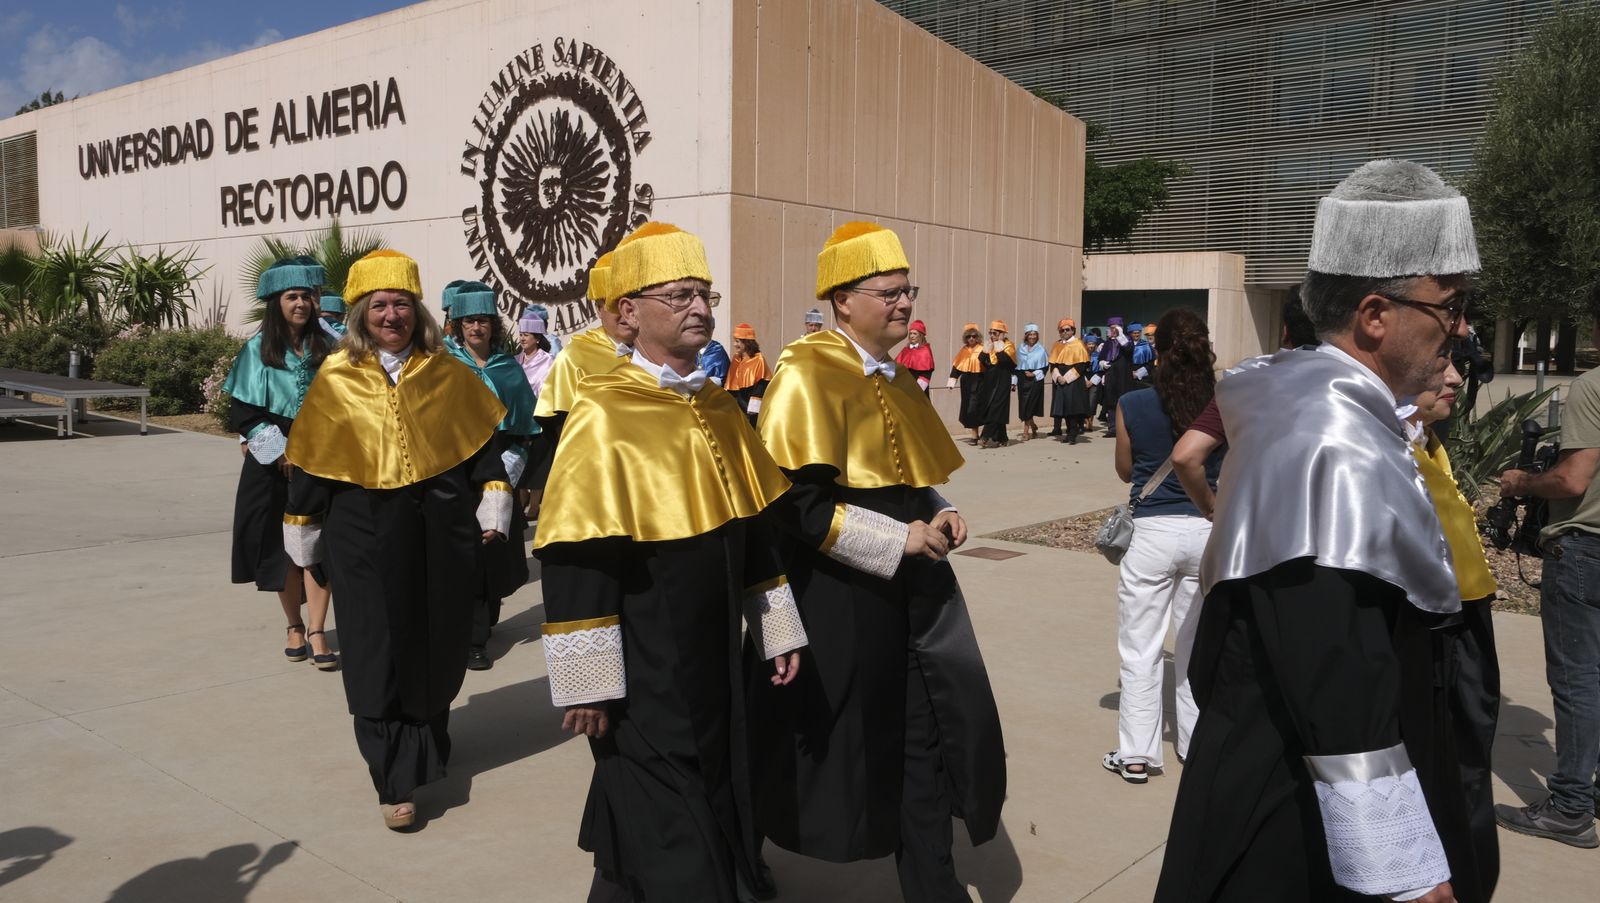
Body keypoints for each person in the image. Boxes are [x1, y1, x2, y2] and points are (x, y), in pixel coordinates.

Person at [1156, 159, 1484, 902]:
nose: (1461, 329)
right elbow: (1336, 665)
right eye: (1451, 306)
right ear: (1375, 314)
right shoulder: (1327, 439)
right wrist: (1401, 865)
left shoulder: (1310, 400)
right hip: (1292, 814)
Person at [534, 222, 807, 902]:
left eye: (704, 294)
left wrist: (775, 628)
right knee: (666, 799)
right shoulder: (601, 410)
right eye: (680, 295)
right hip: (645, 650)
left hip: (716, 647)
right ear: (628, 311)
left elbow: (755, 530)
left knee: (701, 783)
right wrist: (587, 681)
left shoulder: (717, 404)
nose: (700, 308)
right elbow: (579, 555)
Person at [752, 221, 1006, 903]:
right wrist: (898, 540)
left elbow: (905, 478)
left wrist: (941, 507)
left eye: (907, 290)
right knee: (806, 741)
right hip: (836, 600)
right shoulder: (805, 372)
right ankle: (742, 852)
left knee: (922, 738)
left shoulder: (895, 377)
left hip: (911, 601)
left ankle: (933, 886)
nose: (904, 303)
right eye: (888, 292)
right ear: (842, 299)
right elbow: (797, 506)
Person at [280, 249, 512, 831]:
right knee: (374, 646)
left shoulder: (448, 372)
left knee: (436, 637)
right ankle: (393, 778)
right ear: (360, 313)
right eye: (380, 305)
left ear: (419, 311)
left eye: (402, 304)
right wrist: (303, 526)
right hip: (362, 531)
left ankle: (428, 740)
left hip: (440, 529)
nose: (392, 315)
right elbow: (312, 463)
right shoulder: (337, 377)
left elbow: (483, 450)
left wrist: (493, 501)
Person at [1495, 285, 1600, 850]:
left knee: (1578, 680)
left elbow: (1572, 479)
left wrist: (1521, 481)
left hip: (1585, 549)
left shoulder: (1593, 386)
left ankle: (1570, 807)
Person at [1103, 309, 1222, 785]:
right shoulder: (1224, 402)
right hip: (1206, 528)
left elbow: (1125, 471)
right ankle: (1194, 745)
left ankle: (1137, 754)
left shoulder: (1132, 402)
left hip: (1151, 532)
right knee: (1196, 648)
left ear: (1158, 349)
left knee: (1140, 648)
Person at [1407, 362, 1503, 888]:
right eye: (1440, 359)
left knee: (1469, 749)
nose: (1456, 377)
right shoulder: (1386, 444)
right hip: (1436, 619)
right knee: (1449, 759)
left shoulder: (1425, 438)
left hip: (1466, 611)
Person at [223, 256, 338, 671]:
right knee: (281, 548)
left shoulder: (331, 349)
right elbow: (243, 412)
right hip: (271, 462)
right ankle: (294, 625)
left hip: (321, 457)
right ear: (276, 302)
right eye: (292, 296)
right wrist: (280, 451)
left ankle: (318, 629)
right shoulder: (257, 351)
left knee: (318, 544)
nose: (301, 304)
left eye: (307, 295)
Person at [445, 282, 537, 672]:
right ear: (458, 325)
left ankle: (483, 620)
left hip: (499, 470)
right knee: (468, 552)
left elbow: (526, 427)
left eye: (482, 320)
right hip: (456, 471)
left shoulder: (507, 368)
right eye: (468, 321)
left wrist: (512, 465)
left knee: (493, 549)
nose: (476, 327)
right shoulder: (446, 366)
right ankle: (473, 639)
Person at [529, 253, 638, 490]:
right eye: (613, 304)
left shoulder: (657, 351)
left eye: (631, 302)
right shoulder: (575, 357)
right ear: (598, 308)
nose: (625, 312)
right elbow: (561, 430)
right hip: (598, 479)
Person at [515, 308, 557, 522]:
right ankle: (522, 497)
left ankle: (534, 505)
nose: (522, 338)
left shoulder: (549, 361)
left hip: (539, 417)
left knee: (538, 462)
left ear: (537, 338)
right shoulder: (515, 360)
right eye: (521, 334)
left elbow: (549, 390)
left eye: (527, 335)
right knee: (519, 461)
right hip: (518, 418)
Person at [1048, 318, 1093, 443]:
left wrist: (1066, 378)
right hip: (1060, 380)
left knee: (1073, 409)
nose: (1065, 332)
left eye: (1067, 330)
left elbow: (1081, 366)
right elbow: (1053, 364)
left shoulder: (1079, 344)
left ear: (1073, 330)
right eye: (1062, 330)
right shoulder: (1057, 345)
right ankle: (1069, 432)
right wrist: (1058, 377)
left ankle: (1073, 432)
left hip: (1074, 380)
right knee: (1064, 408)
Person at [978, 320, 1016, 448]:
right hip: (990, 381)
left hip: (1002, 380)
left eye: (995, 333)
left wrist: (999, 349)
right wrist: (985, 350)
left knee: (996, 407)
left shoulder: (1008, 345)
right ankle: (1003, 438)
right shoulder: (989, 344)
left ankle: (985, 436)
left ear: (1002, 334)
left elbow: (1009, 363)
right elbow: (982, 360)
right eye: (990, 333)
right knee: (994, 408)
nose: (992, 335)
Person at [725, 322, 772, 425]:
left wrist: (753, 408)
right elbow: (731, 383)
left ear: (746, 343)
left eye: (737, 341)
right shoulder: (736, 358)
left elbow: (762, 383)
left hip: (749, 408)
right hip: (736, 407)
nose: (734, 344)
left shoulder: (758, 359)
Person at [946, 323, 984, 444]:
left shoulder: (982, 349)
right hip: (966, 381)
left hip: (979, 380)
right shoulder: (963, 350)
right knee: (967, 406)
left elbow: (988, 366)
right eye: (968, 336)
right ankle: (975, 434)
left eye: (974, 336)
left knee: (974, 407)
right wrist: (952, 381)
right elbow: (956, 367)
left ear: (977, 337)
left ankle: (975, 435)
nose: (971, 339)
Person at [1098, 317, 1134, 437]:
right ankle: (1112, 428)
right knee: (1111, 401)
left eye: (1115, 328)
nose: (1113, 330)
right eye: (1111, 328)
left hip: (1124, 374)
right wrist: (1102, 363)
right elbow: (1101, 357)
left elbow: (1128, 349)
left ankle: (1125, 428)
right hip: (1111, 375)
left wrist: (1120, 336)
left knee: (1124, 401)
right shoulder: (1107, 343)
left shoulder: (1127, 339)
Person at [1014, 324, 1048, 441]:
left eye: (1034, 334)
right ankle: (1032, 425)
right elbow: (1015, 366)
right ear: (1026, 336)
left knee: (1030, 404)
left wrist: (1034, 374)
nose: (1032, 337)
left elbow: (1045, 367)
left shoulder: (1041, 350)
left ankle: (1025, 432)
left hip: (1035, 381)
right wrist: (1014, 381)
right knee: (1024, 405)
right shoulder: (1020, 349)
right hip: (1022, 380)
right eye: (1030, 334)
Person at [895, 319, 936, 394]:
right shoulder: (905, 350)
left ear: (921, 335)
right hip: (905, 387)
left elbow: (926, 374)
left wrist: (917, 390)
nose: (912, 336)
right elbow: (897, 367)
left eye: (915, 334)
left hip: (919, 390)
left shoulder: (925, 351)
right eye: (910, 333)